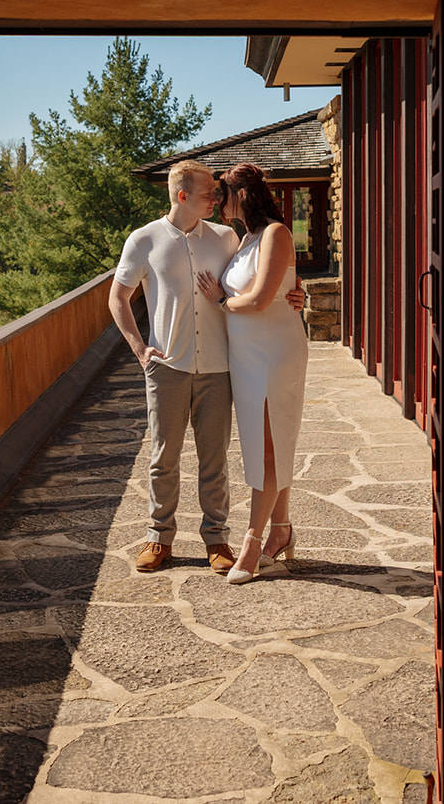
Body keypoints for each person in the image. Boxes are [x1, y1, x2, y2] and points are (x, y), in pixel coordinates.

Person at [108, 160, 304, 575]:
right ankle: (159, 537)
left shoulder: (228, 237)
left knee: (215, 460)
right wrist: (140, 350)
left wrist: (294, 292)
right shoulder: (143, 240)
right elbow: (117, 298)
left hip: (221, 366)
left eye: (219, 193)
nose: (215, 199)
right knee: (163, 457)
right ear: (182, 196)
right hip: (169, 365)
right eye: (207, 193)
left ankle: (217, 539)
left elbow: (260, 276)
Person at [195, 162, 309, 584]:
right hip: (245, 357)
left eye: (221, 194)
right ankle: (282, 529)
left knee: (270, 445)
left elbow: (260, 299)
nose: (216, 202)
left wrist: (221, 301)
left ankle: (253, 541)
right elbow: (280, 286)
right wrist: (294, 292)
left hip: (275, 352)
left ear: (241, 194)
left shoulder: (277, 233)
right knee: (268, 443)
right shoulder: (246, 239)